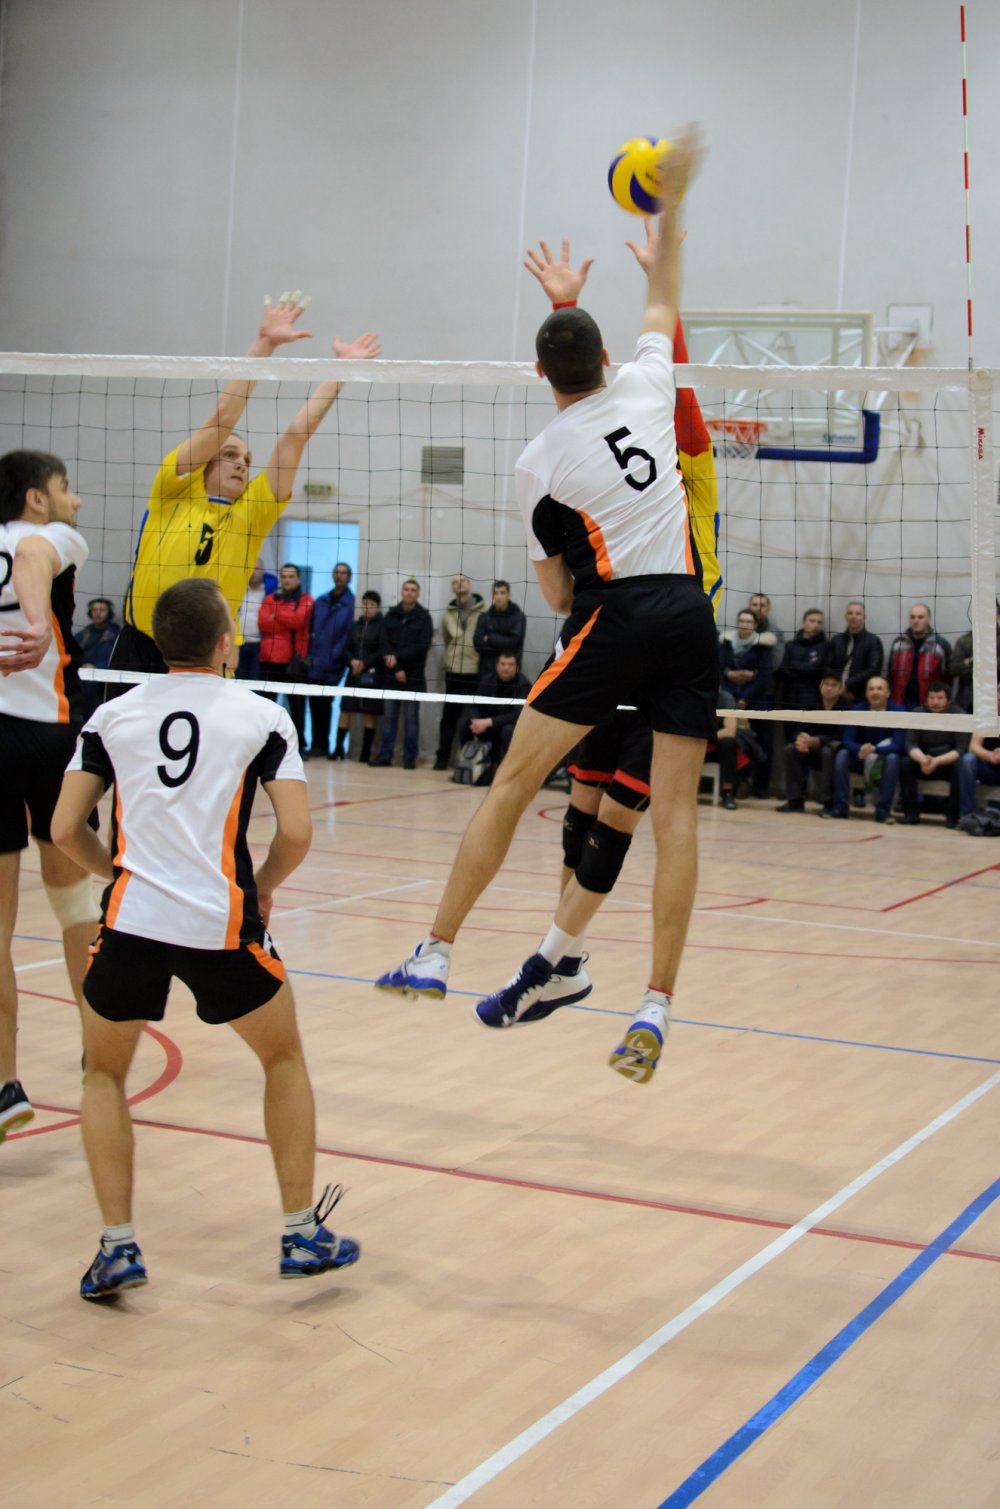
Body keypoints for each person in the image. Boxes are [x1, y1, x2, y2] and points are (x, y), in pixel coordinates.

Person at [376, 127, 720, 1086]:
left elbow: (560, 591)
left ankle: (436, 949)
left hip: (616, 618)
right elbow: (662, 304)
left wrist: (563, 309)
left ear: (540, 375)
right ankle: (654, 1002)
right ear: (608, 355)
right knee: (676, 820)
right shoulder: (649, 383)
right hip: (690, 611)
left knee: (514, 782)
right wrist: (668, 213)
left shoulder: (539, 463)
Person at [51, 577, 360, 1298]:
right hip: (221, 925)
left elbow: (65, 829)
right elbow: (296, 833)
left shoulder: (111, 716)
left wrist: (113, 872)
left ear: (161, 642)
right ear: (226, 643)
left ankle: (118, 1248)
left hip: (131, 921)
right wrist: (264, 886)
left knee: (103, 1075)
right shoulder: (263, 716)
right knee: (282, 1058)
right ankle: (299, 1233)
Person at [111, 294, 379, 674]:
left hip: (209, 660)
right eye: (230, 454)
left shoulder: (253, 512)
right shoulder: (174, 489)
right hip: (141, 649)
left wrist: (340, 373)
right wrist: (264, 343)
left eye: (248, 460)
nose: (242, 463)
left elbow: (294, 438)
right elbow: (222, 418)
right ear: (206, 460)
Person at [0, 449, 100, 1141]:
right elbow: (33, 556)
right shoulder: (50, 536)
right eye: (67, 488)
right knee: (75, 907)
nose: (77, 501)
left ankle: (6, 1084)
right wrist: (38, 624)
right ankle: (100, 1053)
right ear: (37, 498)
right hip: (48, 740)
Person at [371, 578, 433, 769]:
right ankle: (385, 755)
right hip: (391, 675)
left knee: (411, 718)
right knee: (389, 717)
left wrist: (398, 660)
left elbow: (422, 646)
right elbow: (384, 642)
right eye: (406, 589)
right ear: (401, 591)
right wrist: (396, 668)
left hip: (413, 676)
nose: (409, 592)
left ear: (418, 594)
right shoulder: (391, 614)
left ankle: (409, 757)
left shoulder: (424, 617)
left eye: (413, 590)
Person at [829, 674, 906, 820]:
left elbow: (899, 745)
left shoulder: (899, 711)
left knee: (893, 758)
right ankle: (841, 808)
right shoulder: (857, 710)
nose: (875, 692)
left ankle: (883, 811)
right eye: (871, 689)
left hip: (884, 758)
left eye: (879, 688)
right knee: (842, 755)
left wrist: (874, 750)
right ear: (866, 693)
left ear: (888, 693)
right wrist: (861, 748)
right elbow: (847, 740)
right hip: (861, 756)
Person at [776, 672, 852, 813]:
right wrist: (801, 739)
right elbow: (798, 730)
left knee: (827, 751)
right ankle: (795, 800)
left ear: (840, 688)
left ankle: (828, 802)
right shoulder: (812, 704)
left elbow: (842, 736)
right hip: (811, 750)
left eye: (833, 685)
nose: (828, 688)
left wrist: (819, 740)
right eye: (826, 684)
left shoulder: (846, 706)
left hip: (834, 751)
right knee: (791, 749)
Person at [433, 574, 486, 770]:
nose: (459, 584)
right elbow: (447, 639)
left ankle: (468, 759)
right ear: (452, 588)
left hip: (474, 670)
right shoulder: (448, 613)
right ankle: (442, 758)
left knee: (472, 718)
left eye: (462, 581)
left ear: (469, 585)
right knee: (449, 717)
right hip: (453, 670)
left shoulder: (483, 609)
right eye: (455, 582)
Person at [258, 564, 313, 752]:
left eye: (291, 576)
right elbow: (263, 623)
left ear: (298, 579)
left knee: (297, 709)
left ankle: (299, 746)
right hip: (268, 659)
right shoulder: (269, 598)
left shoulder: (305, 599)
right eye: (284, 576)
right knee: (266, 707)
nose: (287, 580)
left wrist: (276, 614)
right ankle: (263, 745)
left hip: (293, 662)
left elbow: (298, 620)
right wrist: (286, 618)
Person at [899, 681, 969, 826]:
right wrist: (923, 760)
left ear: (948, 700)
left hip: (947, 762)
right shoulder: (918, 713)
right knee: (905, 763)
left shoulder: (959, 714)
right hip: (924, 760)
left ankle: (953, 816)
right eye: (931, 698)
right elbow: (910, 744)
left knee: (961, 766)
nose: (935, 702)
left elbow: (961, 749)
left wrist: (936, 761)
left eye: (940, 698)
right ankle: (911, 813)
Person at [458, 652, 531, 781]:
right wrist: (476, 721)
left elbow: (517, 715)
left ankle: (508, 770)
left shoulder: (524, 685)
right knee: (465, 723)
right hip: (487, 725)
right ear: (497, 666)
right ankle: (468, 763)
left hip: (506, 726)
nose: (506, 668)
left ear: (516, 668)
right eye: (503, 664)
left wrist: (488, 722)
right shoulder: (487, 680)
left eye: (510, 665)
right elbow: (475, 705)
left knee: (508, 730)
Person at [307, 562, 354, 757]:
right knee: (313, 703)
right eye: (336, 572)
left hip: (334, 662)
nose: (339, 576)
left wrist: (336, 654)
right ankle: (316, 744)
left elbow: (348, 634)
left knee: (326, 703)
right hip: (315, 660)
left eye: (343, 573)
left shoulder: (352, 604)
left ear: (349, 577)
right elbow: (312, 629)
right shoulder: (321, 600)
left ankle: (325, 744)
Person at [333, 590, 384, 763]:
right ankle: (338, 749)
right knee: (345, 710)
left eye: (372, 604)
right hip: (353, 673)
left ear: (378, 607)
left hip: (371, 675)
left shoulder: (381, 626)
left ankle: (365, 753)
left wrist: (365, 663)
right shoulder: (355, 626)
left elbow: (382, 650)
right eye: (365, 604)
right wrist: (352, 662)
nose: (367, 607)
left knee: (369, 713)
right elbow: (346, 648)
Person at [887, 604, 951, 709]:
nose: (916, 621)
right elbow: (891, 673)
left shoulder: (940, 645)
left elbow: (947, 678)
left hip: (930, 705)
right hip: (900, 703)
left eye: (920, 617)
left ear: (929, 619)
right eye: (912, 617)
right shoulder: (898, 643)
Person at [958, 684, 1000, 827]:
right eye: (998, 691)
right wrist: (990, 755)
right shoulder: (986, 715)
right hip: (988, 766)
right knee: (967, 759)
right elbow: (973, 746)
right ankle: (966, 816)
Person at [824, 601, 884, 700]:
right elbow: (827, 666)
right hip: (835, 695)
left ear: (864, 616)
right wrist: (838, 685)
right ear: (845, 616)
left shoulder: (873, 641)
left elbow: (874, 670)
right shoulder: (836, 640)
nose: (853, 616)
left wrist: (848, 684)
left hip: (862, 696)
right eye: (850, 613)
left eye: (858, 613)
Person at [949, 602, 1000, 713]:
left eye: (989, 613)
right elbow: (954, 668)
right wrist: (990, 663)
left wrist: (972, 661)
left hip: (996, 701)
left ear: (998, 616)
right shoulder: (964, 641)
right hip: (967, 702)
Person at [76, 597, 121, 719]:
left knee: (90, 684)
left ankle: (88, 719)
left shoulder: (116, 634)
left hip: (105, 673)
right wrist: (82, 665)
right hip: (84, 672)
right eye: (95, 610)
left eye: (102, 610)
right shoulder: (84, 633)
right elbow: (73, 653)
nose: (98, 613)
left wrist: (97, 667)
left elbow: (119, 659)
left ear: (109, 612)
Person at [234, 557, 277, 684]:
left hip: (260, 644)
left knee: (256, 682)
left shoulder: (272, 590)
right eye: (250, 568)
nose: (253, 572)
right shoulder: (238, 588)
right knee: (238, 682)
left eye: (256, 568)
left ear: (263, 570)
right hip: (239, 643)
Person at [776, 608, 826, 711]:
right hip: (790, 696)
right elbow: (783, 670)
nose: (816, 625)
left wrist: (794, 664)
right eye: (812, 621)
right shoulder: (790, 645)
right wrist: (808, 667)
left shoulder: (825, 647)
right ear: (803, 623)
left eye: (819, 622)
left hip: (813, 697)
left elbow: (817, 670)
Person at [473, 580, 527, 675]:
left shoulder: (519, 617)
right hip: (487, 671)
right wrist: (504, 644)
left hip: (509, 672)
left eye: (502, 593)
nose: (499, 596)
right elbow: (477, 644)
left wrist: (490, 638)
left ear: (509, 595)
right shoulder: (484, 617)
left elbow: (514, 643)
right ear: (492, 595)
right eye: (496, 593)